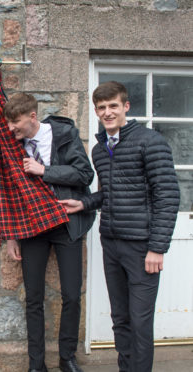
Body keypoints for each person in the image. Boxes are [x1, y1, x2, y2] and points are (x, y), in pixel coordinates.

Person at [59, 81, 180, 372]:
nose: (107, 112)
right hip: (111, 243)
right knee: (121, 319)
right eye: (101, 108)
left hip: (142, 247)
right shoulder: (100, 150)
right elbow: (111, 193)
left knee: (139, 322)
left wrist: (157, 248)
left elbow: (168, 195)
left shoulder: (149, 141)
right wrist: (85, 203)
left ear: (126, 106)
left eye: (113, 106)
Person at [3, 93, 95, 372]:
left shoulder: (65, 135)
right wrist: (10, 234)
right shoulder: (11, 145)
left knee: (71, 295)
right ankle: (36, 365)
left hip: (67, 224)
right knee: (33, 298)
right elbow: (6, 190)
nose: (10, 129)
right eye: (8, 123)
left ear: (32, 117)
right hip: (32, 227)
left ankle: (67, 358)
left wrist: (44, 170)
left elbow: (84, 175)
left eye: (15, 122)